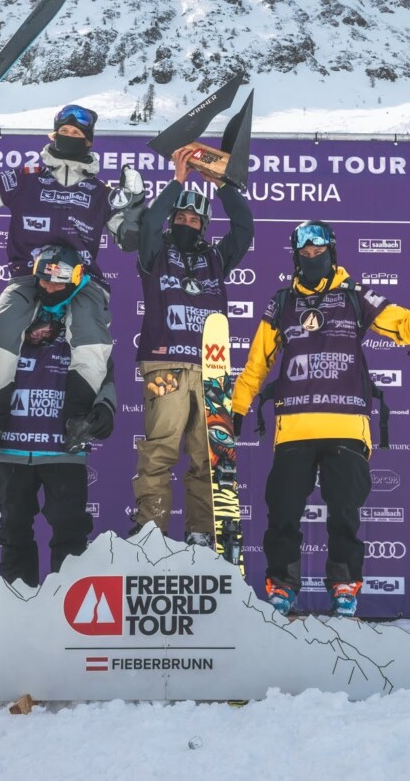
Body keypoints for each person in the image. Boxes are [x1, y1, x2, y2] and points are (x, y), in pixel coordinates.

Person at [229, 220, 410, 618]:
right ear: (296, 259)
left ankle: (344, 585)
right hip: (293, 426)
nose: (312, 258)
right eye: (305, 254)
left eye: (319, 252)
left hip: (346, 424)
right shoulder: (282, 303)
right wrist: (238, 408)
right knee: (282, 511)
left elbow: (405, 328)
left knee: (345, 513)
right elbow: (256, 364)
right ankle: (282, 586)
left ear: (333, 253)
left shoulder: (355, 297)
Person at [0, 104, 142, 453]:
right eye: (65, 132)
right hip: (28, 275)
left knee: (90, 333)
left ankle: (81, 418)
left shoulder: (100, 192)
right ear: (53, 135)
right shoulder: (26, 177)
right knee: (2, 328)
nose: (69, 138)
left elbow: (129, 239)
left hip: (82, 280)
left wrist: (135, 203)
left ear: (89, 143)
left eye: (77, 135)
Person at [0, 246, 116, 588]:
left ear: (77, 281)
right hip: (12, 449)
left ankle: (67, 618)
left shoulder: (85, 327)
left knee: (70, 537)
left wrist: (104, 410)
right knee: (14, 533)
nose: (49, 288)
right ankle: (17, 613)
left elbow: (105, 372)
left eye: (58, 282)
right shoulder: (9, 322)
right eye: (43, 280)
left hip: (63, 449)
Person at [131, 146, 254, 547]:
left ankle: (202, 532)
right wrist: (178, 181)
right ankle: (152, 530)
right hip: (164, 365)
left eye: (195, 219)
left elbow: (244, 228)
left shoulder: (216, 259)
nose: (187, 223)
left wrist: (222, 185)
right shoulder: (155, 254)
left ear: (204, 225)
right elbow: (148, 224)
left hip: (211, 371)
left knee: (208, 459)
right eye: (181, 217)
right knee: (160, 451)